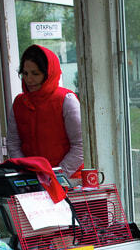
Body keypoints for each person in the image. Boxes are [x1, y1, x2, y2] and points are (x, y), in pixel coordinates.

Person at [6, 45, 84, 177]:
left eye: (35, 74)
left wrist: (56, 176)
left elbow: (80, 146)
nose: (29, 79)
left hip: (69, 179)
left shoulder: (67, 100)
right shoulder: (19, 103)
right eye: (25, 73)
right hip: (33, 179)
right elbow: (13, 143)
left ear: (49, 74)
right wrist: (26, 172)